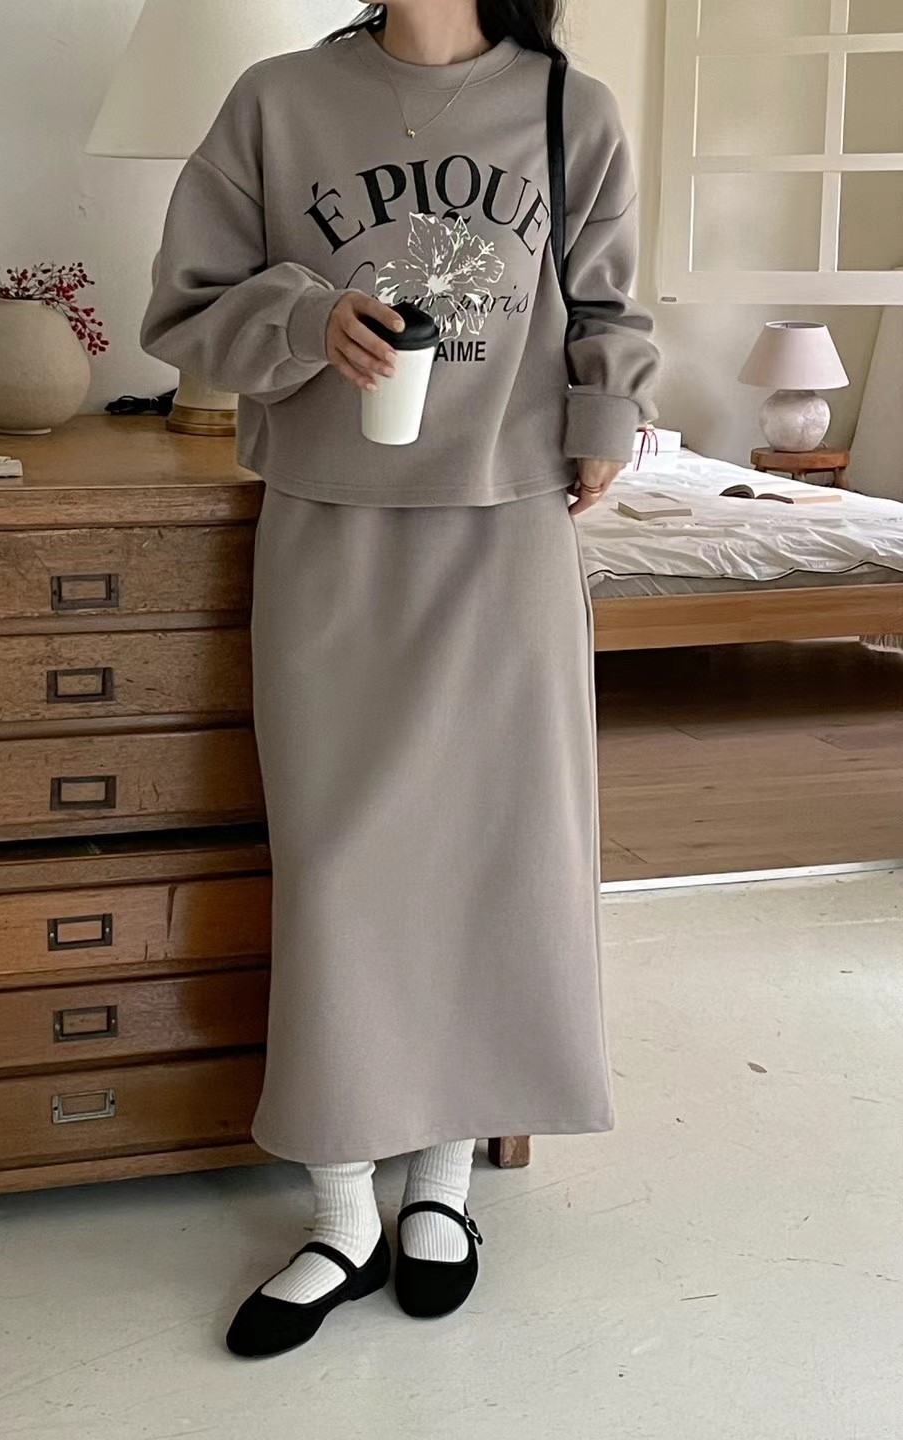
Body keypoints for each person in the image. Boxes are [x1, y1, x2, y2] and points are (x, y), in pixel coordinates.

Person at [141, 0, 659, 1359]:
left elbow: (608, 302)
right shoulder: (278, 100)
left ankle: (443, 1188)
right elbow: (183, 311)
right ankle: (338, 1210)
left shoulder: (572, 105)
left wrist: (608, 418)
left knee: (492, 858)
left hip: (507, 528)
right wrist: (313, 318)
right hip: (334, 523)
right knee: (344, 865)